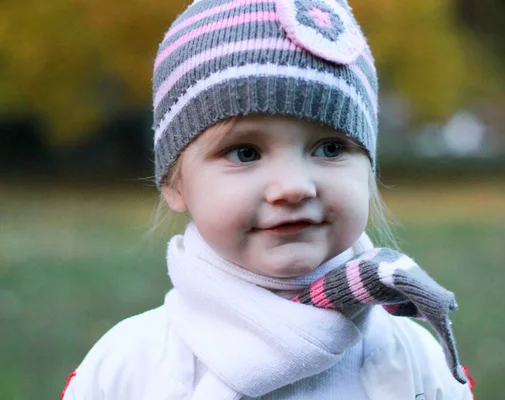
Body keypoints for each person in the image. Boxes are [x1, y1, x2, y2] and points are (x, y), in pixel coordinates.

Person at [62, 0, 475, 398]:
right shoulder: (125, 370)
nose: (294, 186)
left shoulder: (420, 364)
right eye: (245, 153)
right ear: (175, 183)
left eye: (330, 148)